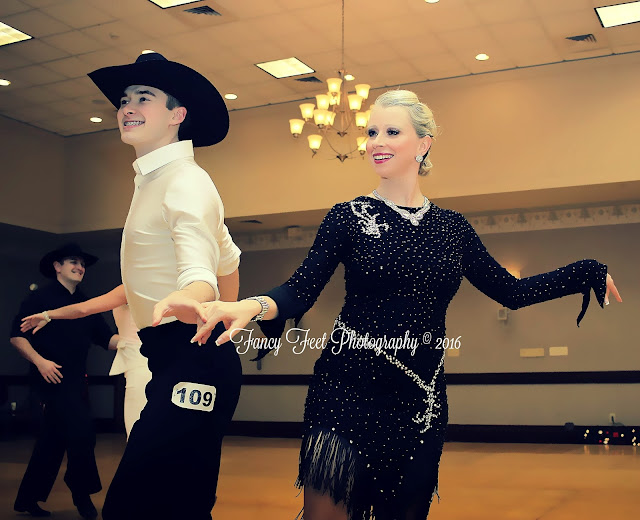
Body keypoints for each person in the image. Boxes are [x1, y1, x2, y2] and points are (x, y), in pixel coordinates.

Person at [163, 90, 623, 520]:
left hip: (421, 401)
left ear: (423, 144)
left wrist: (583, 272)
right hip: (345, 393)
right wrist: (253, 305)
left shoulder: (453, 229)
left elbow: (511, 292)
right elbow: (300, 290)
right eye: (371, 132)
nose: (376, 142)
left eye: (391, 132)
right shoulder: (347, 217)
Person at [87, 52, 242, 520]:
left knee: (136, 503)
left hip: (191, 358)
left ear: (177, 115)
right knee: (180, 502)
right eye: (124, 100)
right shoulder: (157, 180)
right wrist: (222, 321)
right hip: (178, 354)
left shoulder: (184, 181)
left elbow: (202, 272)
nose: (127, 107)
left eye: (144, 97)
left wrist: (194, 298)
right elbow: (229, 258)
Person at [21, 277, 242, 438]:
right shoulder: (149, 287)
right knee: (153, 428)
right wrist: (48, 315)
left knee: (141, 429)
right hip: (155, 362)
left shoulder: (142, 286)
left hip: (147, 364)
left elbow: (84, 309)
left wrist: (49, 315)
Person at [9, 243, 119, 519]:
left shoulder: (84, 304)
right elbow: (17, 336)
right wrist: (40, 362)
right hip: (49, 378)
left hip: (76, 381)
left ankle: (28, 499)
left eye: (82, 264)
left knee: (53, 440)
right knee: (83, 434)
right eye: (73, 261)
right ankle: (81, 493)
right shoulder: (40, 299)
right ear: (57, 267)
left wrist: (136, 340)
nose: (80, 267)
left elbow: (107, 339)